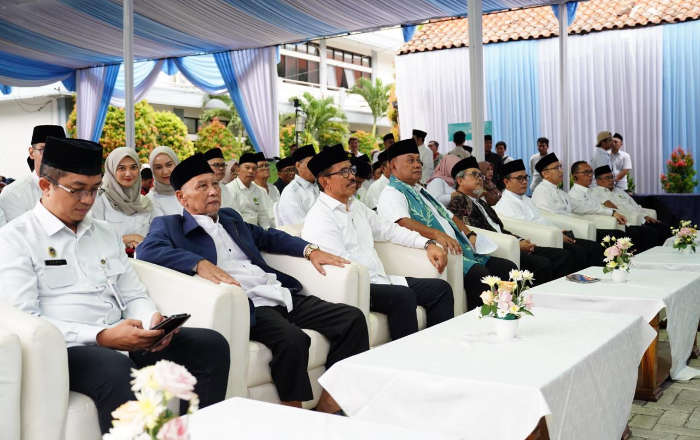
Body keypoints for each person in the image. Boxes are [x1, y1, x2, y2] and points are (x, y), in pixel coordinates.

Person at [0, 137, 230, 434]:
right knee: (116, 368)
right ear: (46, 186)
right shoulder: (15, 238)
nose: (88, 200)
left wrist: (152, 322)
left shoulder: (104, 232)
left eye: (94, 189)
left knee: (211, 345)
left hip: (122, 335)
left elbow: (132, 292)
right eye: (77, 189)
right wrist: (101, 336)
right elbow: (25, 318)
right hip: (65, 348)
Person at [137, 153, 368, 414]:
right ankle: (294, 414)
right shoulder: (170, 225)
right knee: (292, 339)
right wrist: (198, 263)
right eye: (202, 186)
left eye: (215, 184)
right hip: (248, 304)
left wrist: (310, 250)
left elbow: (269, 237)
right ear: (182, 197)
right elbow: (146, 250)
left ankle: (329, 404)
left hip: (277, 292)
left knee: (352, 319)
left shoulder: (230, 218)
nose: (213, 191)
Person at [302, 145, 453, 340]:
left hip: (381, 279)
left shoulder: (356, 206)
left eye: (351, 170)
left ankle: (439, 348)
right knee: (402, 295)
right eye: (344, 172)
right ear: (325, 182)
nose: (351, 176)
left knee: (440, 289)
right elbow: (340, 263)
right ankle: (409, 356)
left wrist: (427, 244)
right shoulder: (320, 216)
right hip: (357, 287)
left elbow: (390, 230)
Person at [376, 138, 517, 312]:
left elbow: (450, 216)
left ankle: (508, 315)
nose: (417, 165)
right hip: (436, 250)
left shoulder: (420, 190)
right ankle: (481, 322)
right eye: (410, 160)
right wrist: (437, 234)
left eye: (418, 160)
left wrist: (470, 234)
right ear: (393, 166)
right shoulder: (392, 193)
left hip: (460, 247)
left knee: (507, 268)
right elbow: (402, 222)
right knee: (479, 274)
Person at [448, 157, 573, 285]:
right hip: (499, 249)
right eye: (474, 175)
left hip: (509, 242)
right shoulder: (459, 202)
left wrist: (519, 240)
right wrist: (515, 244)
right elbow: (475, 234)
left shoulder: (480, 202)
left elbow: (499, 228)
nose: (480, 178)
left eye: (480, 175)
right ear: (460, 181)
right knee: (542, 264)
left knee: (562, 255)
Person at [494, 160, 602, 270]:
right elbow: (523, 229)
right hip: (538, 239)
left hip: (550, 234)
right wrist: (557, 234)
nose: (525, 182)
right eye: (519, 178)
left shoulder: (526, 199)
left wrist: (558, 231)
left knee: (592, 246)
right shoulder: (506, 203)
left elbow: (541, 219)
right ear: (506, 182)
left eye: (526, 178)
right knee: (576, 251)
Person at [532, 154, 631, 249]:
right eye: (557, 168)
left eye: (561, 167)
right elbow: (548, 217)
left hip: (572, 228)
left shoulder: (561, 193)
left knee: (618, 235)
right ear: (545, 174)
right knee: (596, 245)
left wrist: (612, 212)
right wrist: (559, 233)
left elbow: (582, 206)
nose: (562, 171)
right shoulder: (541, 191)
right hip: (560, 231)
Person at [590, 165, 671, 246]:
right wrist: (605, 201)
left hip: (641, 219)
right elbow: (604, 205)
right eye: (607, 178)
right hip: (628, 221)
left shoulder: (620, 191)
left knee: (667, 229)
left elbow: (636, 205)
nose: (611, 180)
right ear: (598, 181)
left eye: (612, 177)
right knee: (651, 233)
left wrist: (646, 216)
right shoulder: (595, 191)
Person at [0, 125, 66, 223]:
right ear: (31, 153)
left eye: (59, 151)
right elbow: (20, 231)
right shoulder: (14, 193)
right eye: (44, 150)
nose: (52, 157)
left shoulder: (75, 190)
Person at [90, 147, 152, 253]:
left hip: (141, 261)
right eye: (121, 168)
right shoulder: (99, 199)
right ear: (111, 170)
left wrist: (124, 240)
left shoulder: (144, 203)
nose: (128, 173)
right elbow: (94, 240)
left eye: (133, 167)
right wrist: (130, 238)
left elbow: (147, 240)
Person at [277, 144, 320, 226]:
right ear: (298, 165)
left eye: (316, 163)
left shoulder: (319, 185)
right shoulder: (291, 192)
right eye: (310, 163)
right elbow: (299, 224)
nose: (315, 166)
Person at [227, 153, 272, 229]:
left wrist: (266, 230)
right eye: (247, 168)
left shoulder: (257, 190)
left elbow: (262, 214)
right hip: (241, 230)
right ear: (238, 170)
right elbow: (234, 218)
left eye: (254, 169)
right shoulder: (230, 189)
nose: (251, 171)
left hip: (257, 230)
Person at [147, 146, 183, 220]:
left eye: (169, 165)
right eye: (159, 167)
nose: (165, 172)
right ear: (153, 171)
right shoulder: (150, 200)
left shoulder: (188, 191)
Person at [252, 152, 280, 226]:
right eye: (261, 166)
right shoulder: (252, 189)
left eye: (267, 165)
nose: (266, 168)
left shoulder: (273, 188)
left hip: (280, 225)